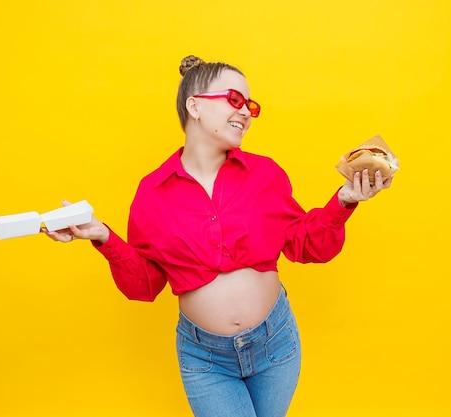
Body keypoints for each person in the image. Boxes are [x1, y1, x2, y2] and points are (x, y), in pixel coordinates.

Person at [44, 55, 393, 417]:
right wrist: (104, 238)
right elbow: (144, 285)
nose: (245, 113)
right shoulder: (152, 192)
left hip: (276, 344)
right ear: (194, 105)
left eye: (250, 106)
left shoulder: (265, 174)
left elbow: (306, 245)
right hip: (206, 359)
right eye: (234, 100)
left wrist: (344, 200)